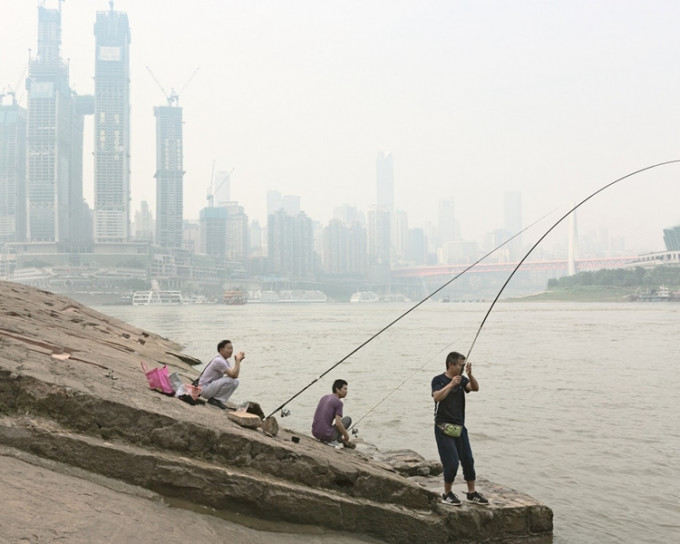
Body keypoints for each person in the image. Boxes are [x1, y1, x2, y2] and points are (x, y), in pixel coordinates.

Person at [431, 351, 489, 506]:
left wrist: (470, 375)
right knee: (451, 463)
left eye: (464, 366)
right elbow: (437, 397)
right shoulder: (438, 380)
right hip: (443, 428)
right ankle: (447, 493)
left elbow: (474, 388)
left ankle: (471, 493)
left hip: (460, 428)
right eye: (461, 366)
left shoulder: (462, 379)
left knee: (468, 460)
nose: (463, 369)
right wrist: (451, 385)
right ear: (451, 365)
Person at [198, 339, 245, 409]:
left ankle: (218, 400)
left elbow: (233, 376)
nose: (231, 351)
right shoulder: (218, 360)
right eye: (228, 348)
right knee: (230, 380)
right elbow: (234, 375)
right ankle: (215, 400)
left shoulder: (225, 361)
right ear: (221, 350)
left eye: (232, 348)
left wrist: (237, 362)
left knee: (235, 381)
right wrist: (237, 361)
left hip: (210, 387)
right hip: (205, 389)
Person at [312, 379, 355, 448]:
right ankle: (332, 440)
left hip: (315, 432)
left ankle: (338, 439)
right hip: (325, 435)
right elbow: (338, 424)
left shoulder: (324, 397)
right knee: (347, 419)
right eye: (344, 389)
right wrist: (346, 436)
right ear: (337, 389)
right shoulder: (339, 403)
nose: (346, 391)